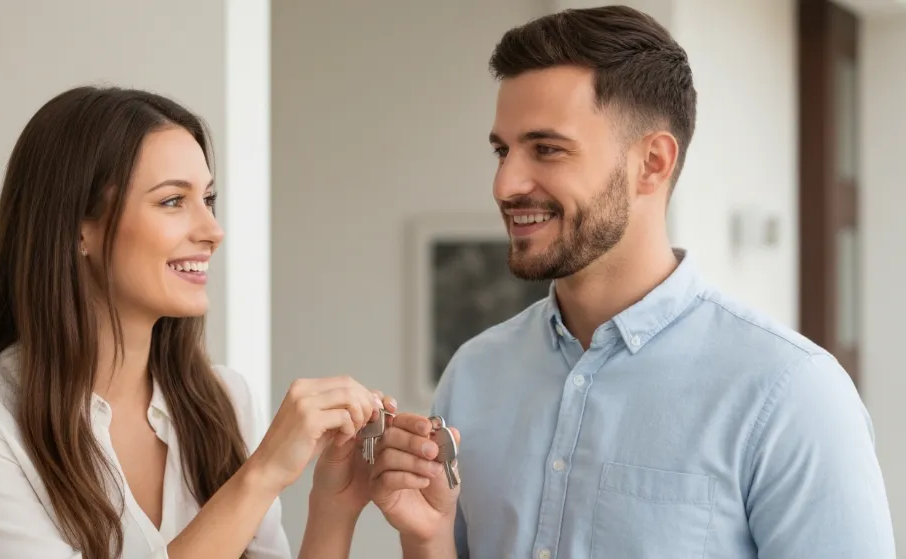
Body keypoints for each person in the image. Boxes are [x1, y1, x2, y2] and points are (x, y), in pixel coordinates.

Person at [368, 6, 896, 558]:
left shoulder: (792, 394)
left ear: (652, 162)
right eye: (503, 151)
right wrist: (425, 537)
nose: (505, 184)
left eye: (546, 149)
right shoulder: (473, 375)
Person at [0, 86, 420, 559]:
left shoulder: (225, 400)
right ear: (78, 229)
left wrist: (334, 504)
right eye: (173, 201)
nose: (213, 231)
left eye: (208, 200)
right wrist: (263, 473)